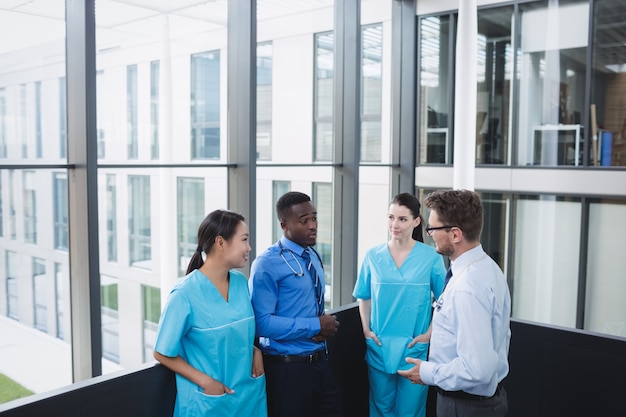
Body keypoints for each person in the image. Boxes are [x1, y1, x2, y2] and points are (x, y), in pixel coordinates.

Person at [398, 189, 511, 417]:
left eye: (432, 228)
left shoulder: (467, 287)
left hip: (466, 407)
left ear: (456, 235)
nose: (429, 234)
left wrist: (427, 372)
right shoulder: (487, 267)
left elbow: (476, 370)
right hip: (480, 403)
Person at [153, 210, 267, 417]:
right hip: (209, 403)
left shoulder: (241, 283)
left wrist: (252, 349)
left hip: (247, 397)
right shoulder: (184, 295)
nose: (249, 247)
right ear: (220, 243)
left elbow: (232, 326)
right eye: (244, 240)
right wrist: (206, 382)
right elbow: (161, 351)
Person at [353, 192, 446, 417]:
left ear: (416, 222)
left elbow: (445, 301)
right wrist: (366, 330)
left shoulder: (431, 257)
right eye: (391, 217)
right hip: (380, 346)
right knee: (380, 408)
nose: (395, 224)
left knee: (410, 411)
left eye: (402, 219)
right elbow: (363, 296)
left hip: (415, 348)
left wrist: (429, 334)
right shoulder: (373, 256)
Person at [249, 191, 341, 417]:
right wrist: (314, 326)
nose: (313, 226)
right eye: (304, 221)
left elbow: (306, 307)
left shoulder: (313, 256)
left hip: (321, 363)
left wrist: (320, 326)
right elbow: (261, 323)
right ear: (284, 225)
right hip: (288, 371)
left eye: (314, 218)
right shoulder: (266, 264)